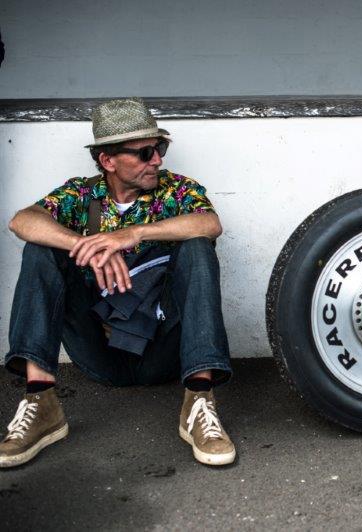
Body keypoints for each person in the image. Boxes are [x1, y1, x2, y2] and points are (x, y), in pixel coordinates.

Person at [1, 98, 236, 467]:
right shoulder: (82, 195)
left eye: (159, 148)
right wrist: (83, 245)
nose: (156, 160)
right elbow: (22, 220)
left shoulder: (175, 191)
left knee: (197, 249)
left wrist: (133, 234)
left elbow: (210, 223)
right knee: (40, 251)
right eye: (144, 153)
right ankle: (40, 402)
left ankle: (200, 401)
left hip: (162, 351)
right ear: (107, 161)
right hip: (99, 350)